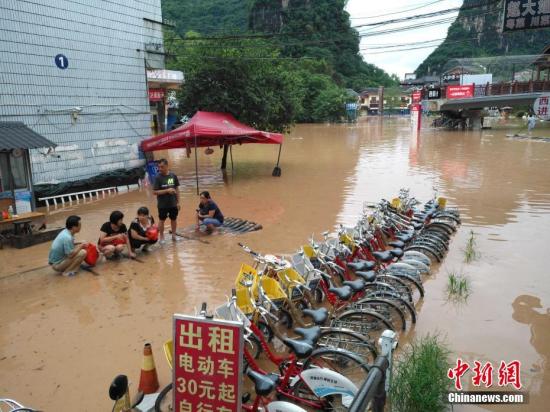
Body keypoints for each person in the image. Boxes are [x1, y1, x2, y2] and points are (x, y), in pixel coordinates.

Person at [153, 158, 180, 243]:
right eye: (159, 167)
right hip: (162, 204)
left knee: (174, 219)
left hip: (173, 203)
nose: (160, 169)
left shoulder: (173, 175)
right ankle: (161, 237)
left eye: (162, 167)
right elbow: (154, 192)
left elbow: (177, 189)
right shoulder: (157, 177)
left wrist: (178, 202)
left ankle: (174, 235)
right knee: (162, 220)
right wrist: (166, 191)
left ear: (167, 166)